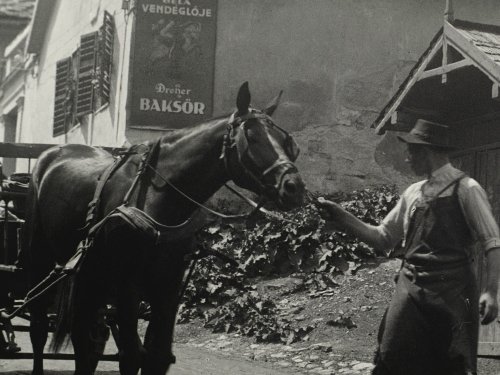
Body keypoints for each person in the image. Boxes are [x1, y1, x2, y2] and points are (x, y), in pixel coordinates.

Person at [317, 119, 500, 375]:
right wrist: (341, 216)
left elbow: (493, 243)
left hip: (453, 292)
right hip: (411, 288)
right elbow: (382, 237)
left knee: (451, 364)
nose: (407, 159)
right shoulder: (413, 193)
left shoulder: (466, 189)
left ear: (428, 152)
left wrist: (491, 293)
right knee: (391, 355)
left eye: (412, 152)